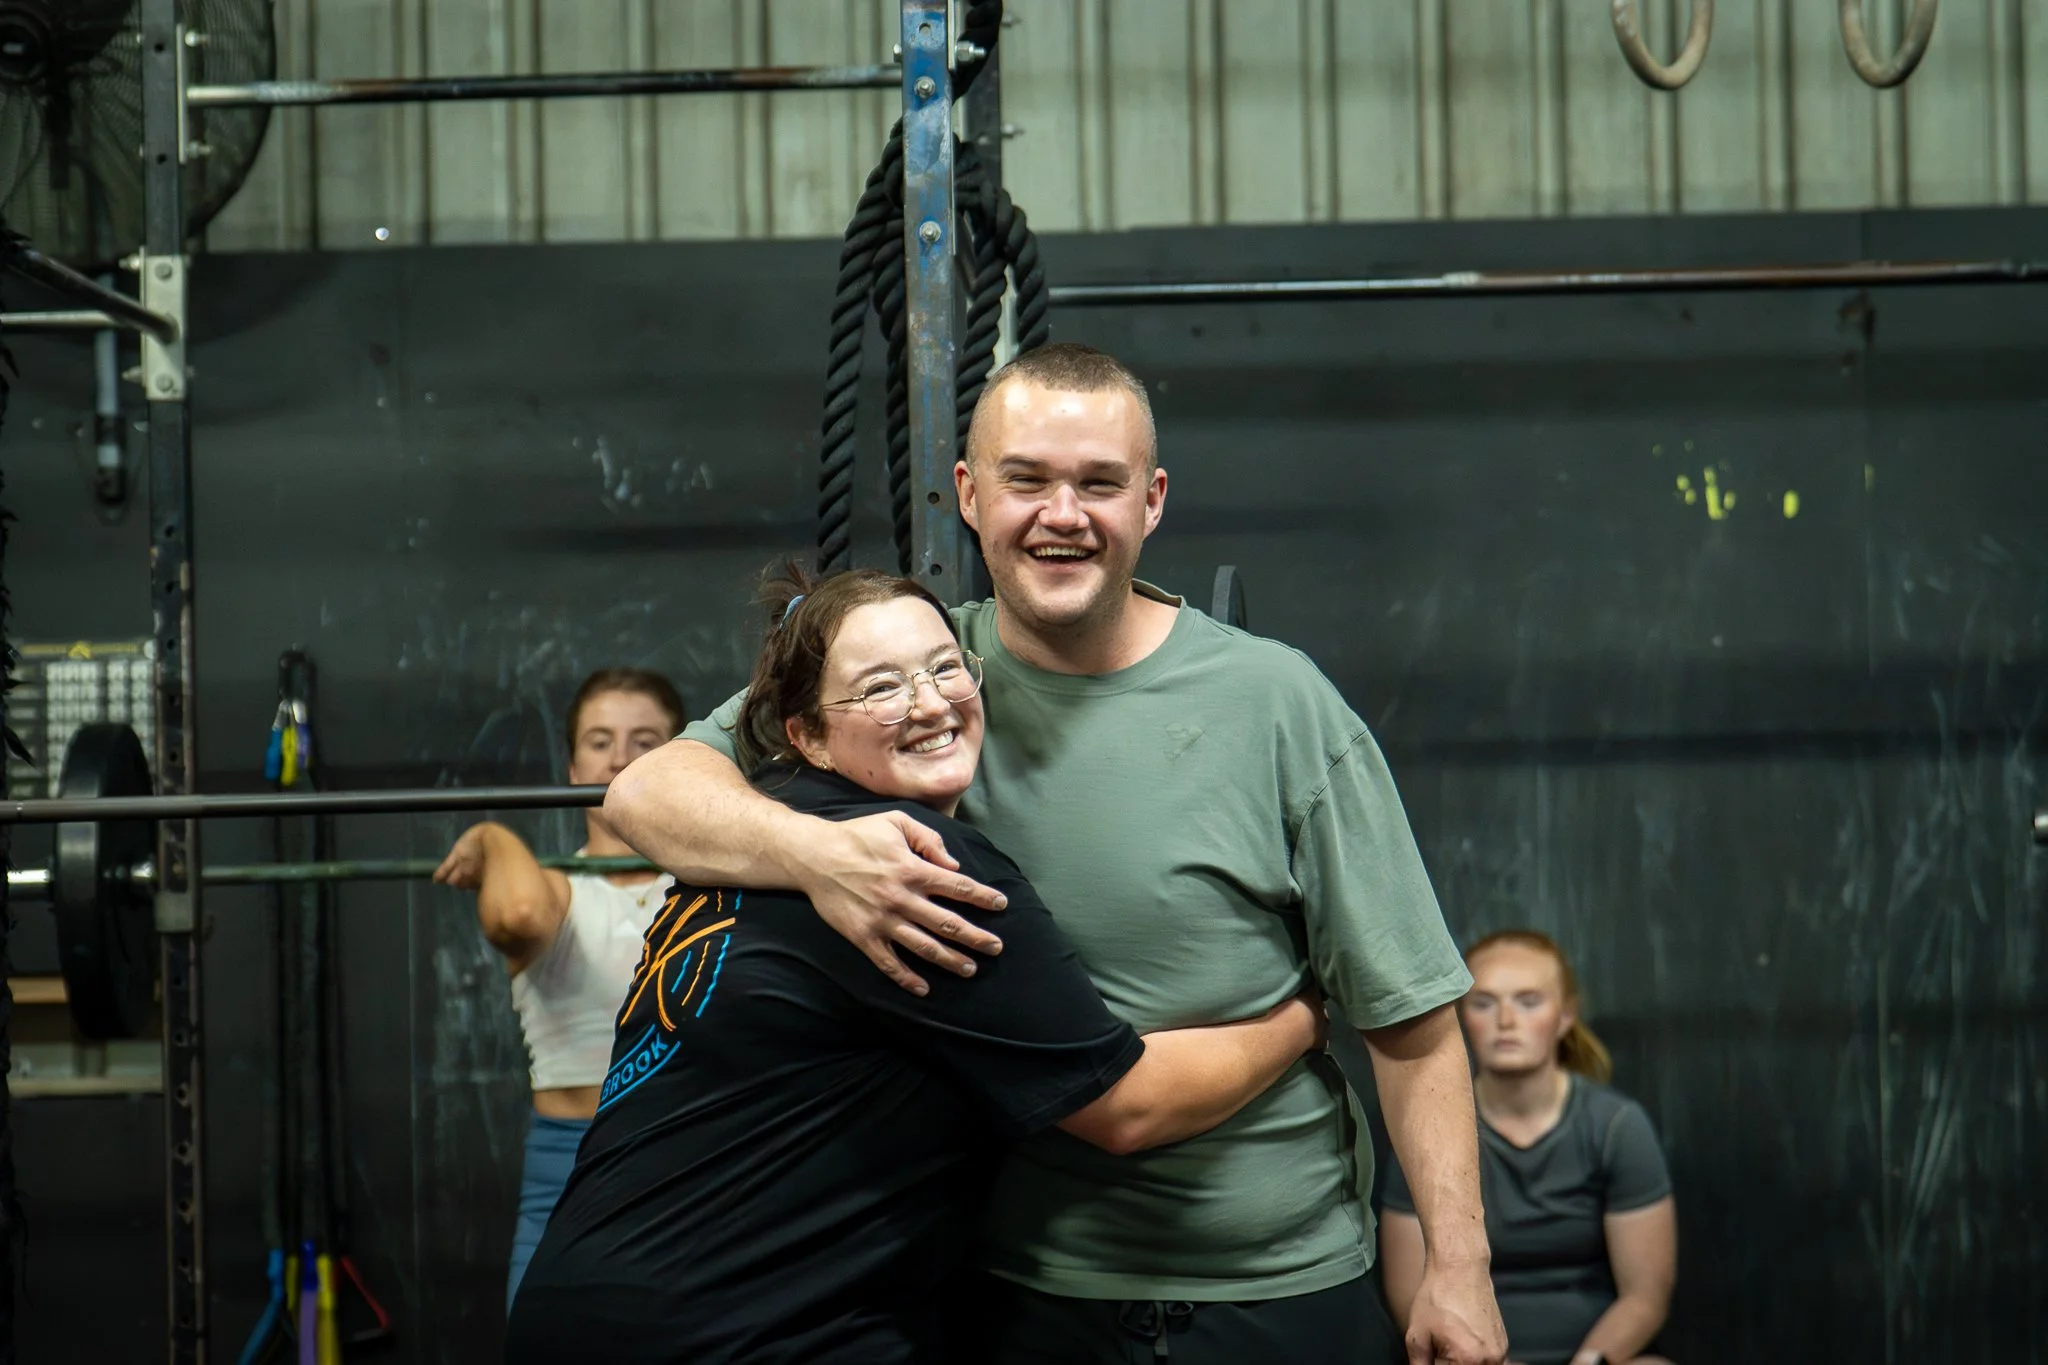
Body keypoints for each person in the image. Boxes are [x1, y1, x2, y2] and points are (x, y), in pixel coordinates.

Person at [604, 343, 1509, 1365]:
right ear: (968, 494)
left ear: (1151, 501)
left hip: (1276, 1290)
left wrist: (1458, 1268)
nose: (1061, 515)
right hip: (1013, 1295)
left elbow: (1413, 1024)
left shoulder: (1277, 704)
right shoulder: (913, 677)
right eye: (1025, 479)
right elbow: (647, 791)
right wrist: (818, 855)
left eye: (1098, 484)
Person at [504, 567, 1327, 1363]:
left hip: (574, 1299)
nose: (930, 702)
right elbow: (1128, 1108)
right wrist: (1305, 1010)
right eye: (881, 687)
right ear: (807, 734)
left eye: (944, 669)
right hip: (739, 1329)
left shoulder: (745, 836)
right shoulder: (923, 866)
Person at [431, 666, 686, 1310]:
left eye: (645, 741)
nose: (620, 759)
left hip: (690, 1163)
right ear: (573, 766)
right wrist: (493, 837)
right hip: (569, 1168)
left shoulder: (708, 891)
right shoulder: (553, 889)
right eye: (599, 741)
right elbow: (515, 916)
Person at [1378, 931, 1678, 1365]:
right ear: (1462, 1016)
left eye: (1529, 1001)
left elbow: (1646, 1297)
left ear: (1565, 1016)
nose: (1505, 1021)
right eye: (1484, 1003)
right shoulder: (1428, 1134)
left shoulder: (1616, 1127)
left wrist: (1590, 1362)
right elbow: (1408, 1295)